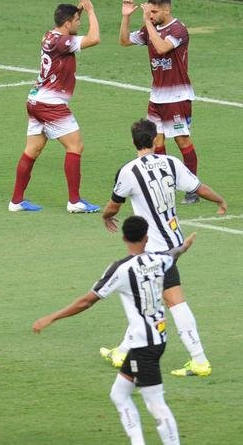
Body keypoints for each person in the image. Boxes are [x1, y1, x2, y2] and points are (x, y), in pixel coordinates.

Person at [33, 217, 196, 445]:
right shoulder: (159, 260)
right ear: (146, 238)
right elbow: (174, 254)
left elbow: (87, 301)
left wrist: (52, 317)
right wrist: (186, 245)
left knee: (155, 404)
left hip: (143, 346)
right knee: (118, 394)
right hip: (156, 339)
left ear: (123, 238)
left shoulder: (121, 269)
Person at [99, 118, 227, 378]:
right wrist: (220, 200)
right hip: (175, 243)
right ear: (157, 139)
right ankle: (122, 351)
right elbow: (198, 187)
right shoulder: (171, 163)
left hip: (155, 250)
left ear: (134, 141)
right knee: (147, 300)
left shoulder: (129, 171)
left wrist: (105, 216)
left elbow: (114, 205)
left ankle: (199, 360)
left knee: (172, 302)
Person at [11, 0, 102, 214]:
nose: (79, 23)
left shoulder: (49, 35)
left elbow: (68, 25)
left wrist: (77, 9)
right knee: (75, 146)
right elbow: (95, 38)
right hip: (50, 104)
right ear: (67, 23)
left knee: (32, 150)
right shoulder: (63, 42)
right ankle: (75, 201)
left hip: (35, 100)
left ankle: (16, 201)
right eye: (77, 21)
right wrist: (90, 11)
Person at [120, 0, 200, 205]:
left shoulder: (178, 29)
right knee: (157, 140)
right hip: (157, 96)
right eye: (149, 11)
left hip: (177, 95)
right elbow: (125, 41)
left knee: (182, 140)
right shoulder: (151, 28)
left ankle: (192, 188)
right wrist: (126, 17)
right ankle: (166, 185)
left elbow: (162, 47)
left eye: (154, 11)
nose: (151, 14)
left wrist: (147, 23)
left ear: (167, 10)